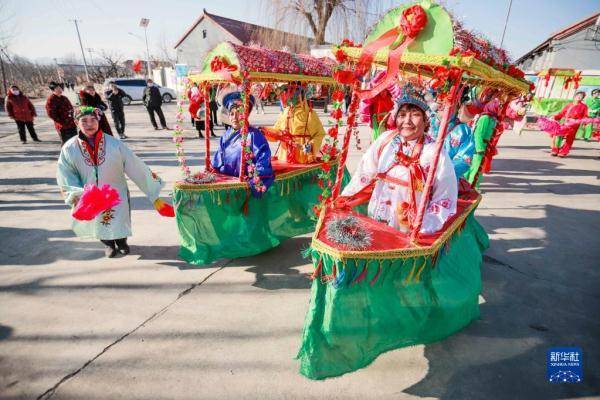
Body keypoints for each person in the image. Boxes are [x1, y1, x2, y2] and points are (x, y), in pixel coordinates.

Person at [336, 83, 457, 234]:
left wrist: (425, 227)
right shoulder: (385, 140)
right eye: (402, 115)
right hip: (377, 216)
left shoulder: (434, 152)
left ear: (426, 120)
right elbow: (364, 174)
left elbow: (444, 196)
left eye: (415, 114)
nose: (407, 121)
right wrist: (345, 198)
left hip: (411, 228)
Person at [56, 106, 172, 258]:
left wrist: (152, 192)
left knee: (119, 218)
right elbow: (66, 172)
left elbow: (135, 165)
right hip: (91, 195)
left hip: (117, 191)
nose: (89, 124)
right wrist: (76, 193)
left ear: (99, 121)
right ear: (77, 123)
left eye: (93, 120)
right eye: (84, 121)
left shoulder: (114, 144)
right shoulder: (69, 148)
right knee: (99, 220)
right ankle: (108, 245)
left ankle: (122, 242)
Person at [211, 92, 274, 196]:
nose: (234, 118)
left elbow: (263, 160)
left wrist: (253, 181)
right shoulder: (225, 136)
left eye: (239, 114)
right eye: (231, 114)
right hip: (228, 185)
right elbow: (217, 161)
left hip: (245, 186)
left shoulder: (254, 135)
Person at [264, 85, 326, 164]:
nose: (288, 95)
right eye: (287, 92)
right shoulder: (285, 112)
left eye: (291, 92)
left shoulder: (309, 113)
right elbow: (277, 132)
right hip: (284, 159)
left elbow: (319, 134)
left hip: (302, 158)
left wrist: (311, 145)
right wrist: (264, 131)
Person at [465, 96, 500, 184]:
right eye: (497, 107)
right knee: (477, 167)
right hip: (479, 147)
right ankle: (472, 187)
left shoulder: (491, 118)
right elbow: (478, 134)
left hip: (484, 146)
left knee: (476, 167)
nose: (499, 109)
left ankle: (467, 185)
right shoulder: (485, 118)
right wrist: (480, 148)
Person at [443, 102, 476, 183]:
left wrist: (441, 171)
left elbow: (464, 160)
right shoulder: (427, 122)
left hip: (446, 180)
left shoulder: (463, 130)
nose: (443, 106)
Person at [551, 91, 588, 157]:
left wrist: (583, 123)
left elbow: (585, 116)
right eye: (578, 95)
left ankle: (564, 151)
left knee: (569, 138)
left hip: (574, 124)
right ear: (575, 96)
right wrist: (555, 117)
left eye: (581, 96)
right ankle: (555, 150)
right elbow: (561, 113)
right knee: (559, 136)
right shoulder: (569, 105)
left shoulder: (584, 106)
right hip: (564, 123)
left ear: (582, 98)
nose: (579, 97)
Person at [46, 81, 77, 145]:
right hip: (62, 125)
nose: (60, 89)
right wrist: (60, 121)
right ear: (53, 90)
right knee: (66, 142)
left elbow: (71, 108)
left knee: (75, 140)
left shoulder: (64, 98)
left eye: (60, 87)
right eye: (57, 88)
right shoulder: (51, 100)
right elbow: (50, 113)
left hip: (71, 123)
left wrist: (73, 116)